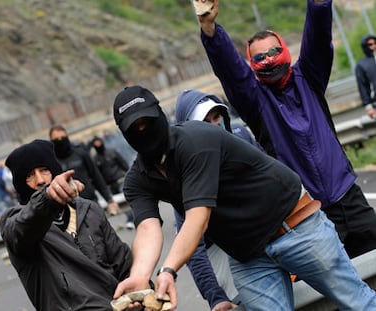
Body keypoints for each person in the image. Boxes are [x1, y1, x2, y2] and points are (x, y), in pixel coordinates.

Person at [111, 85, 376, 310]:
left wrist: (167, 270)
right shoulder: (137, 179)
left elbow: (198, 216)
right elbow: (147, 227)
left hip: (296, 228)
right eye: (135, 128)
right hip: (248, 256)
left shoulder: (195, 140)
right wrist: (140, 275)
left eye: (148, 122)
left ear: (160, 114)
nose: (143, 131)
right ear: (125, 134)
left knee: (358, 304)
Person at [197, 0, 376, 259]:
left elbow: (317, 39)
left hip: (349, 197)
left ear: (285, 51)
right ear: (252, 63)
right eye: (260, 57)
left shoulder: (309, 78)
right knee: (336, 292)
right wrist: (209, 27)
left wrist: (318, 4)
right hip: (307, 215)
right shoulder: (254, 100)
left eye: (274, 51)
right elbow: (232, 72)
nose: (269, 59)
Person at [0, 139, 133, 310]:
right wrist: (48, 198)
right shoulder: (15, 222)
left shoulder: (89, 210)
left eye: (44, 170)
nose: (40, 180)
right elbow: (23, 228)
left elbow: (122, 261)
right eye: (29, 175)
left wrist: (143, 291)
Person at [174, 89, 268, 310]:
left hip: (258, 226)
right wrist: (215, 296)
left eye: (217, 117)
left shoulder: (241, 136)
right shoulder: (182, 171)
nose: (214, 125)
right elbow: (192, 247)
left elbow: (273, 179)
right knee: (246, 299)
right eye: (205, 121)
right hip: (216, 245)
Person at [49, 125, 120, 216]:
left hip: (90, 202)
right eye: (56, 139)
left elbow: (96, 176)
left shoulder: (80, 153)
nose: (60, 141)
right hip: (67, 210)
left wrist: (109, 200)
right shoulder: (51, 161)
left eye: (63, 138)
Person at [90, 136, 134, 229]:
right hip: (109, 185)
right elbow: (97, 175)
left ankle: (131, 219)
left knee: (127, 199)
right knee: (119, 203)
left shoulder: (112, 152)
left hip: (120, 180)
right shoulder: (95, 159)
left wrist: (130, 175)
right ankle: (130, 218)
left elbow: (123, 164)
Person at [355, 34, 376, 118]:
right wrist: (368, 106)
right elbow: (362, 87)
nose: (374, 46)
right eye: (370, 44)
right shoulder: (361, 65)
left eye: (375, 43)